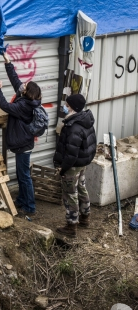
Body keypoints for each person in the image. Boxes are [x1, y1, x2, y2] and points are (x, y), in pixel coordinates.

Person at [0, 53, 42, 216]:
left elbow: (5, 106)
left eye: (25, 85)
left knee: (24, 176)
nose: (23, 85)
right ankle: (22, 200)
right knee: (21, 175)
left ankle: (29, 206)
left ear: (27, 92)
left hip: (24, 145)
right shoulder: (27, 98)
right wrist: (8, 62)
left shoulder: (23, 106)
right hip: (23, 143)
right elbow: (15, 79)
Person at [53, 93, 96, 237]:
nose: (65, 107)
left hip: (72, 166)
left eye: (67, 105)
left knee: (70, 194)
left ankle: (71, 226)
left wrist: (63, 169)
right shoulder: (86, 120)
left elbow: (71, 154)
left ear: (72, 107)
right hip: (82, 164)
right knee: (81, 188)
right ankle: (85, 218)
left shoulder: (73, 127)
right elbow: (92, 145)